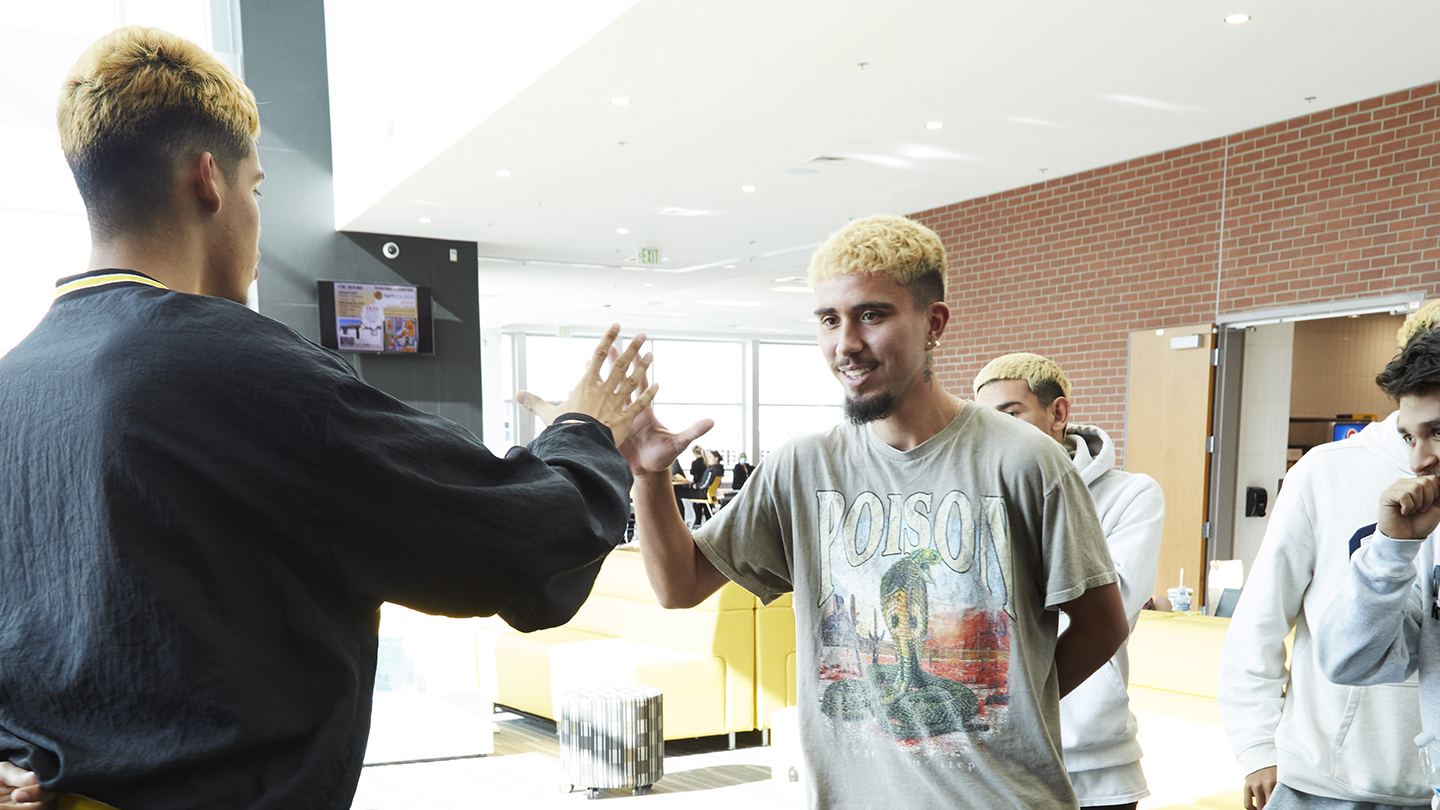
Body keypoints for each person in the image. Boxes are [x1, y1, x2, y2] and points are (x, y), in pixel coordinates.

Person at [0, 27, 658, 810]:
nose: (255, 216)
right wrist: (586, 429)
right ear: (208, 180)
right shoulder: (245, 373)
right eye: (257, 187)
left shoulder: (14, 384)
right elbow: (519, 546)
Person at [546, 214, 1130, 809]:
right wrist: (648, 474)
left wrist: (1012, 709)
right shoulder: (803, 466)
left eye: (872, 315)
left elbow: (1103, 623)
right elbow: (679, 585)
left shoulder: (1024, 461)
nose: (845, 344)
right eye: (830, 320)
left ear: (934, 324)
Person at [1215, 314, 1439, 810]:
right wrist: (1256, 743)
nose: (1421, 456)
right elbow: (1262, 615)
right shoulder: (1327, 469)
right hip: (1329, 780)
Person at [973, 352, 1164, 810]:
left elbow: (1109, 601)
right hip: (994, 747)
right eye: (984, 420)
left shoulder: (1132, 494)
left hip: (1093, 756)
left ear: (1058, 413)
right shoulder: (977, 495)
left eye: (1011, 414)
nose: (996, 432)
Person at [1314, 328, 1440, 787]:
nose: (1418, 461)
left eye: (1438, 432)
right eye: (1410, 437)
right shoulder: (1430, 543)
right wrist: (1392, 550)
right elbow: (1349, 661)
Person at [674, 449, 725, 527]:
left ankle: (680, 520)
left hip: (702, 492)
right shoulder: (718, 469)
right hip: (705, 492)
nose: (708, 459)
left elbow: (705, 483)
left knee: (677, 492)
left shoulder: (713, 470)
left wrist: (696, 486)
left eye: (710, 457)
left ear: (716, 458)